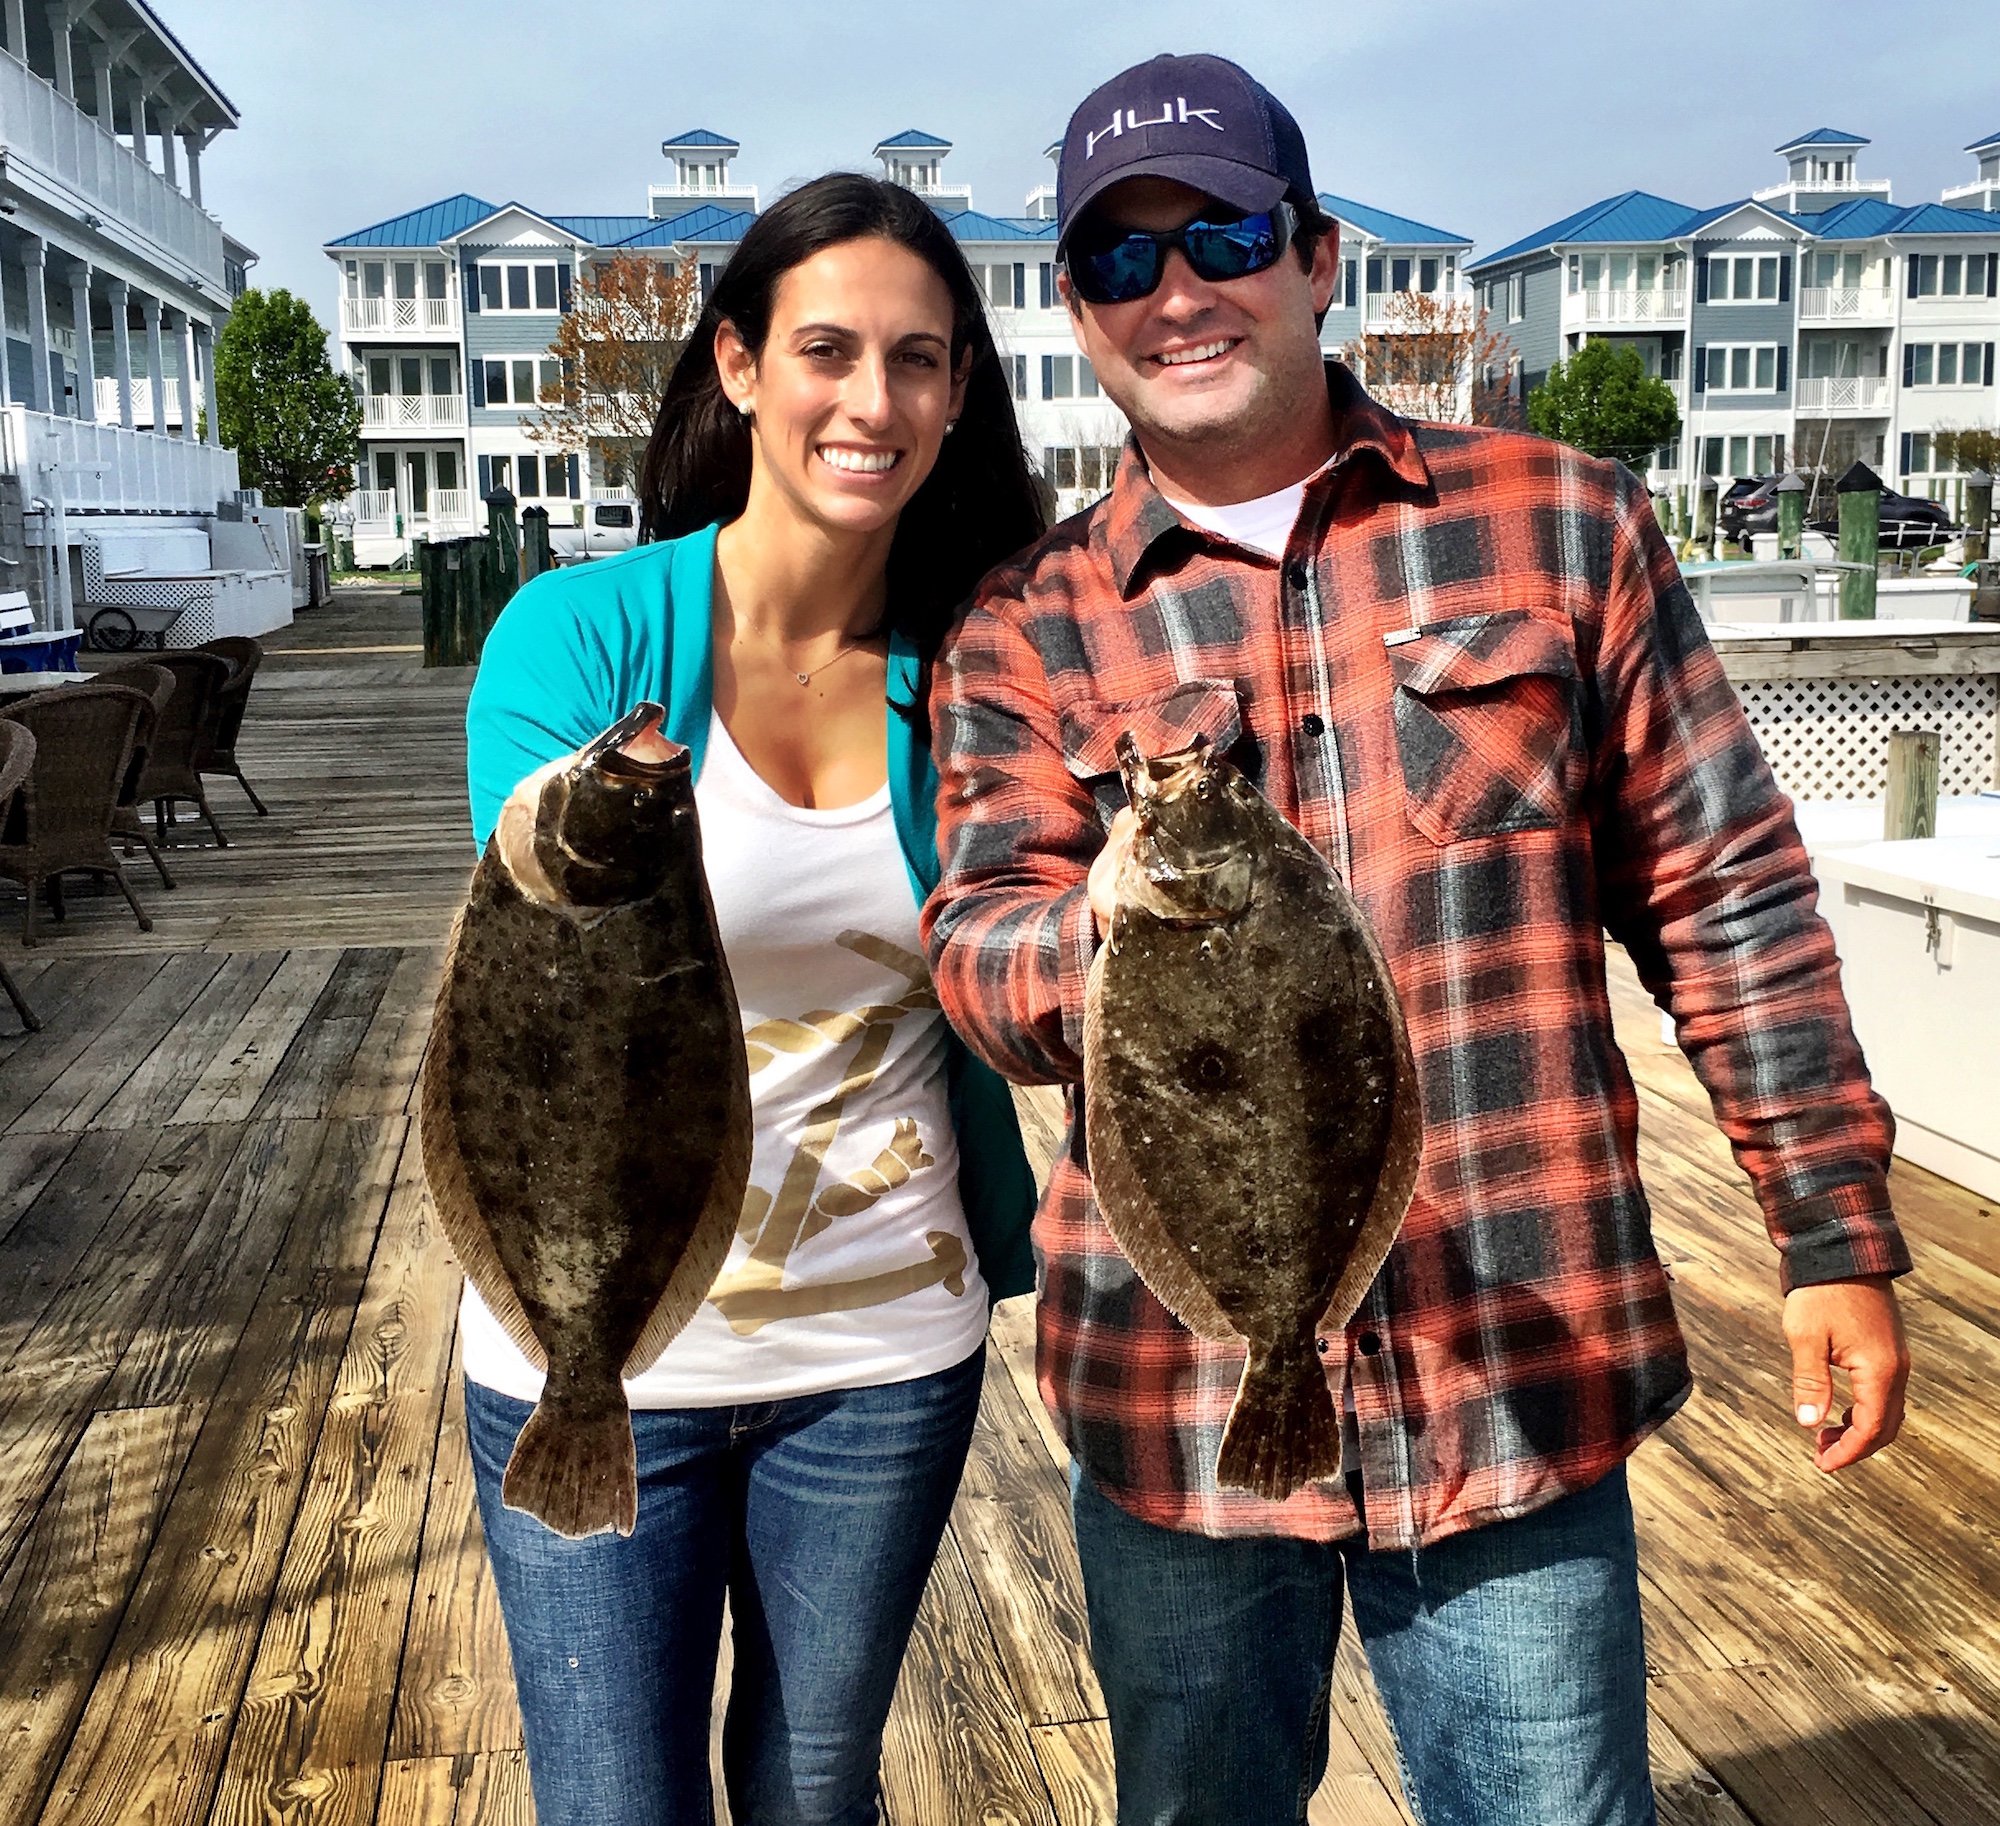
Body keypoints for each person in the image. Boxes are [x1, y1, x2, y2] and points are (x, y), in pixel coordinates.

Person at [922, 52, 1912, 1826]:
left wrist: (1829, 1227)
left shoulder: (1567, 520)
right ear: (1075, 309)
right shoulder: (1024, 619)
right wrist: (1125, 932)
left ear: (1315, 257)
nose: (1178, 291)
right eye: (1121, 262)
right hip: (1184, 1404)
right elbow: (982, 960)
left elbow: (1726, 891)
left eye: (1220, 233)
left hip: (1514, 1393)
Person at [457, 172, 1044, 1826]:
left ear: (958, 394)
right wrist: (595, 793)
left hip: (883, 1339)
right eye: (830, 349)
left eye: (922, 360)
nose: (875, 399)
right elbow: (529, 892)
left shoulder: (979, 671)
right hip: (592, 1345)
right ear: (737, 365)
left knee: (810, 1785)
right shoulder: (577, 635)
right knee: (612, 1800)